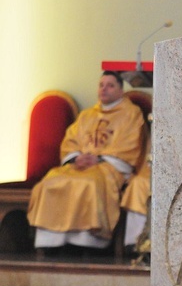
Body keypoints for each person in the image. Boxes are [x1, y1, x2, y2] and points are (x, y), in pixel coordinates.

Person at [27, 71, 147, 251]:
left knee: (89, 184)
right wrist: (75, 157)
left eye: (110, 85)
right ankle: (53, 242)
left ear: (121, 90)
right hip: (80, 164)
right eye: (101, 85)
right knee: (51, 181)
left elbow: (131, 146)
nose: (104, 89)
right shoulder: (87, 115)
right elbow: (70, 141)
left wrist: (99, 158)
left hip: (109, 167)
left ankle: (87, 242)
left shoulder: (131, 113)